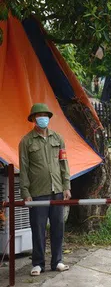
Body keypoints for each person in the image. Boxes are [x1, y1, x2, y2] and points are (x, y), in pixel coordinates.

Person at [19, 103, 71, 276]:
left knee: (58, 227)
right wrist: (25, 192)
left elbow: (64, 163)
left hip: (57, 189)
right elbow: (24, 168)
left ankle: (57, 261)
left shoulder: (58, 138)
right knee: (38, 228)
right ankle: (38, 263)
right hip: (37, 192)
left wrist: (66, 186)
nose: (43, 118)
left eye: (45, 115)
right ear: (33, 119)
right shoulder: (26, 141)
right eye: (39, 115)